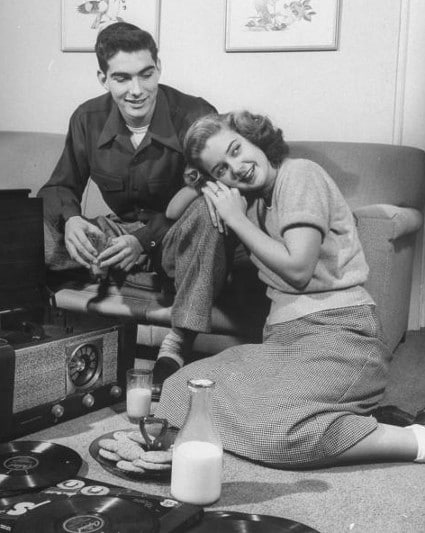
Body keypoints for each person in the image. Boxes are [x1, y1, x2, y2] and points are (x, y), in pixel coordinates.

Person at [155, 110, 425, 468]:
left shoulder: (300, 174)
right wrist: (207, 190)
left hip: (342, 337)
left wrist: (233, 217)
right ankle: (341, 417)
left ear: (256, 138)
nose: (236, 167)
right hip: (284, 343)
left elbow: (299, 270)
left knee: (276, 434)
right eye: (221, 168)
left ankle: (413, 440)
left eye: (236, 149)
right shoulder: (249, 199)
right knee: (179, 392)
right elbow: (175, 215)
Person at [37, 22, 229, 391]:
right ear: (103, 77)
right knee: (28, 226)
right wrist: (74, 220)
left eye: (147, 74)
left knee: (208, 213)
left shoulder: (195, 114)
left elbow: (211, 187)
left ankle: (176, 345)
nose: (137, 90)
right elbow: (58, 186)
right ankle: (38, 329)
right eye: (122, 78)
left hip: (176, 238)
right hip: (115, 237)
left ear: (159, 67)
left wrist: (144, 240)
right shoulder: (87, 118)